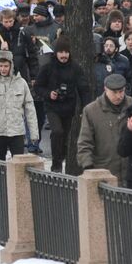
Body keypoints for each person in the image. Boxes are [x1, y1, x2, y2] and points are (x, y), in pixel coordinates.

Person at [33, 37, 92, 175]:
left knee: (64, 136)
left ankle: (63, 160)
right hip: (52, 107)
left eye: (66, 52)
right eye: (61, 52)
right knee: (57, 131)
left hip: (69, 107)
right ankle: (56, 164)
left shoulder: (75, 68)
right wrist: (49, 94)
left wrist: (85, 107)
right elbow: (38, 87)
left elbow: (84, 89)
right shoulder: (47, 67)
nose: (64, 55)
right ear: (56, 53)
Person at [0, 50, 38, 161]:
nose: (3, 69)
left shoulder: (21, 83)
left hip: (17, 131)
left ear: (11, 66)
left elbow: (30, 109)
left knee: (19, 164)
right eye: (0, 66)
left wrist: (34, 134)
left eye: (6, 66)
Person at [76, 74, 130, 179]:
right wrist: (88, 167)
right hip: (104, 172)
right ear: (105, 89)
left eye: (122, 91)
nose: (119, 96)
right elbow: (85, 142)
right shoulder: (91, 111)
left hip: (130, 174)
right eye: (115, 92)